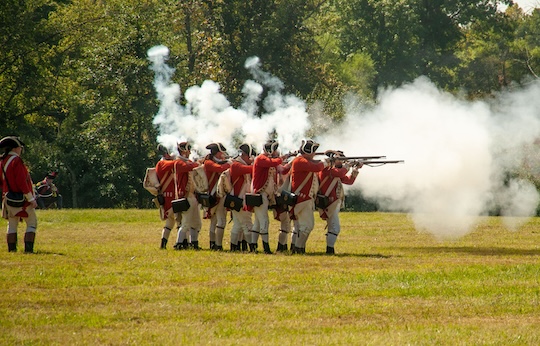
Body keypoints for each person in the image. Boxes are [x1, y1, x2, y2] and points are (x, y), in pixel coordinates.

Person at [317, 151, 361, 254]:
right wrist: (349, 165)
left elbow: (349, 181)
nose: (342, 161)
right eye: (339, 159)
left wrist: (355, 169)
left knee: (333, 227)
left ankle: (330, 249)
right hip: (329, 203)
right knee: (335, 227)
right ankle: (330, 250)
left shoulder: (335, 171)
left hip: (334, 202)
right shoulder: (327, 169)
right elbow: (341, 173)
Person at [289, 139, 328, 254]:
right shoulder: (299, 161)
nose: (314, 153)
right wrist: (326, 162)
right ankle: (298, 249)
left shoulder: (302, 160)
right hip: (302, 198)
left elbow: (315, 164)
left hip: (305, 198)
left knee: (304, 226)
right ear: (308, 150)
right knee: (307, 226)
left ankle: (298, 248)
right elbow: (316, 167)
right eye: (313, 151)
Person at [0, 136, 38, 253]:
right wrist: (31, 199)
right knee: (32, 223)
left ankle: (12, 250)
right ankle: (28, 250)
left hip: (8, 198)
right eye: (20, 147)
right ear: (15, 148)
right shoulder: (16, 161)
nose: (21, 149)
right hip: (22, 199)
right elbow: (22, 182)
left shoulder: (2, 162)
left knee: (12, 224)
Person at [250, 139, 288, 254]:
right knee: (264, 222)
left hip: (266, 195)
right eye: (274, 149)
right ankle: (266, 248)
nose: (276, 152)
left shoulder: (270, 160)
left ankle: (253, 247)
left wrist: (292, 161)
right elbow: (271, 163)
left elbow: (282, 169)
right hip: (260, 194)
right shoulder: (261, 158)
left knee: (258, 222)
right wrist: (282, 158)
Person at [172, 142, 202, 250]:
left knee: (196, 222)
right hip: (186, 196)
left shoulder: (187, 162)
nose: (189, 152)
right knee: (185, 223)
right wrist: (198, 163)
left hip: (192, 196)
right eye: (188, 149)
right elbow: (190, 167)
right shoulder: (178, 163)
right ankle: (179, 243)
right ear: (183, 150)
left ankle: (194, 243)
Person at [228, 143, 256, 251]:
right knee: (247, 224)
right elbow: (250, 169)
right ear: (245, 155)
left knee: (238, 225)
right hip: (239, 200)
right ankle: (252, 247)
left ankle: (234, 247)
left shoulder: (238, 164)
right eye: (250, 156)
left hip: (239, 199)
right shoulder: (236, 165)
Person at [203, 142, 230, 250]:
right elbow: (220, 168)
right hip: (215, 195)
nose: (222, 154)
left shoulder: (216, 162)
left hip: (217, 194)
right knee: (220, 220)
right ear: (217, 153)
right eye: (220, 152)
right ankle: (217, 245)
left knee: (215, 221)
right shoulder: (208, 163)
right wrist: (230, 163)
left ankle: (214, 244)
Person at [155, 144, 182, 249]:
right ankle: (179, 243)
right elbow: (176, 164)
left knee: (172, 222)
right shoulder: (162, 163)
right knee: (176, 221)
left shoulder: (171, 162)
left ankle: (171, 244)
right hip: (168, 197)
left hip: (173, 196)